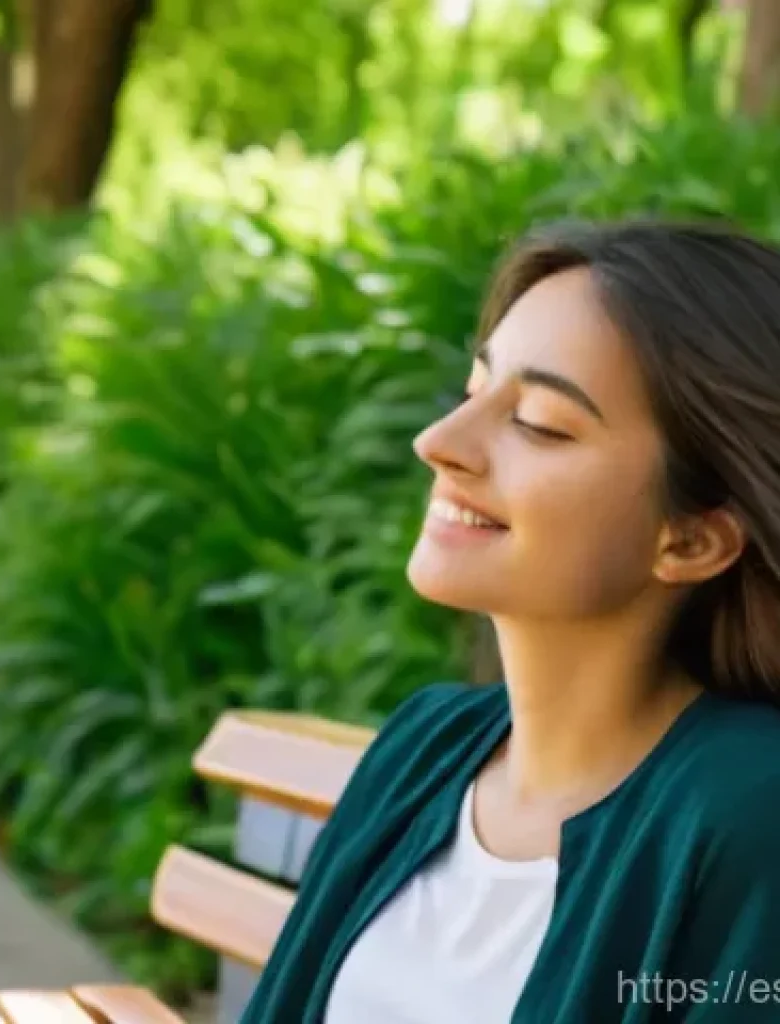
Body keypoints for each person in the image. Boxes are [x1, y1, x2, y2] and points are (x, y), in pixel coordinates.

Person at [239, 219, 780, 1023]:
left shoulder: (747, 807)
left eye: (539, 423)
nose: (439, 443)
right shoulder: (424, 745)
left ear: (694, 539)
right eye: (472, 392)